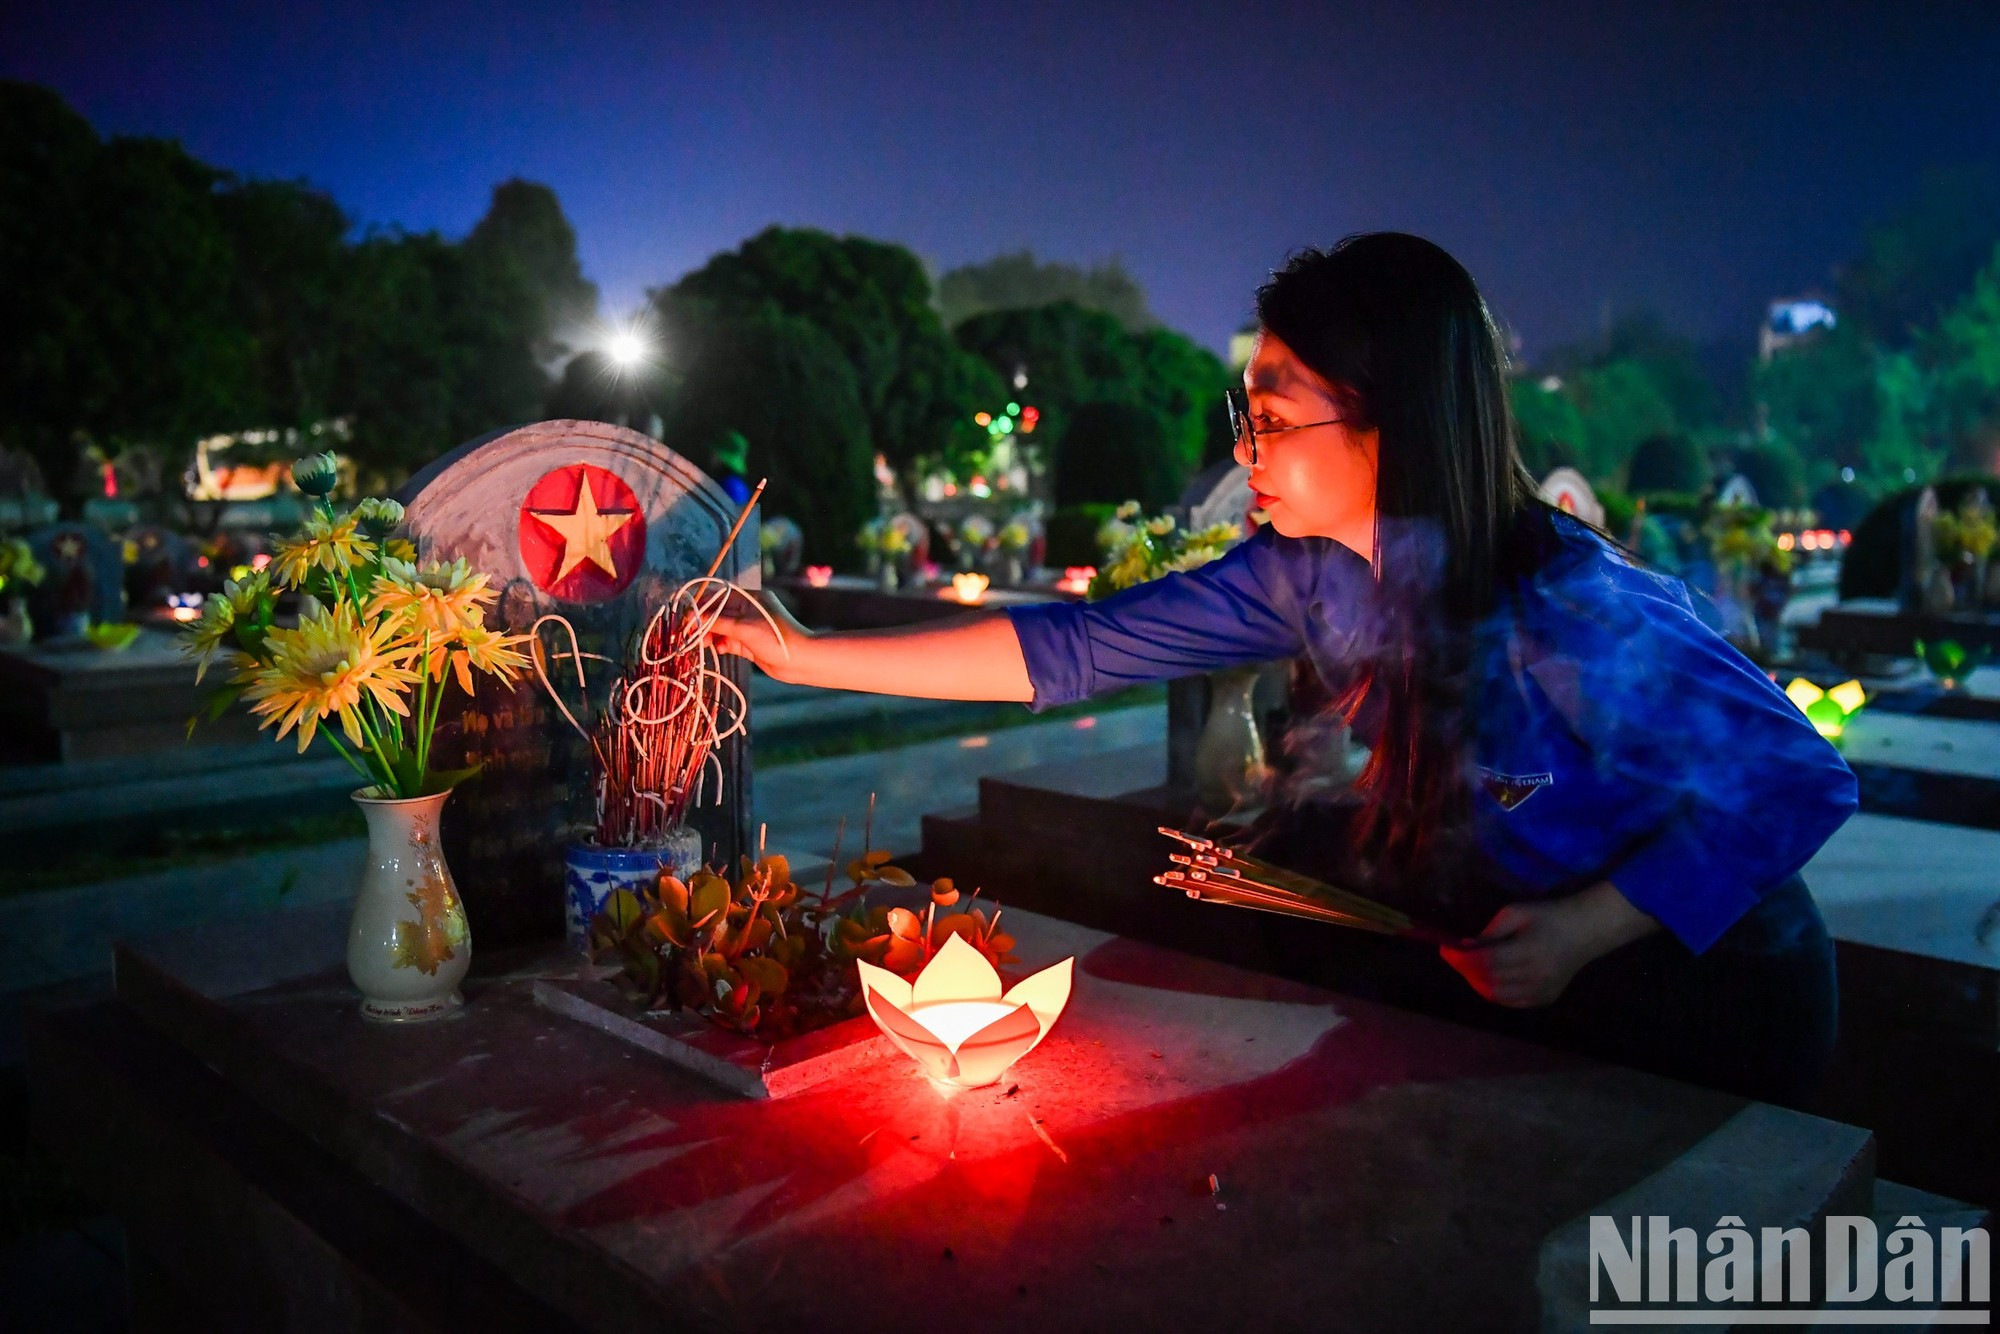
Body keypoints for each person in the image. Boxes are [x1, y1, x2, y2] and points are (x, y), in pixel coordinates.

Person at [714, 233, 1857, 1107]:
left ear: (1390, 426)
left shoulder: (1569, 607)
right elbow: (1074, 648)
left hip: (1699, 991)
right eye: (1242, 414)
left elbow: (1796, 780)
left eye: (1268, 419)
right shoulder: (1306, 573)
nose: (1241, 450)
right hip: (1525, 954)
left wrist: (1588, 927)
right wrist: (802, 654)